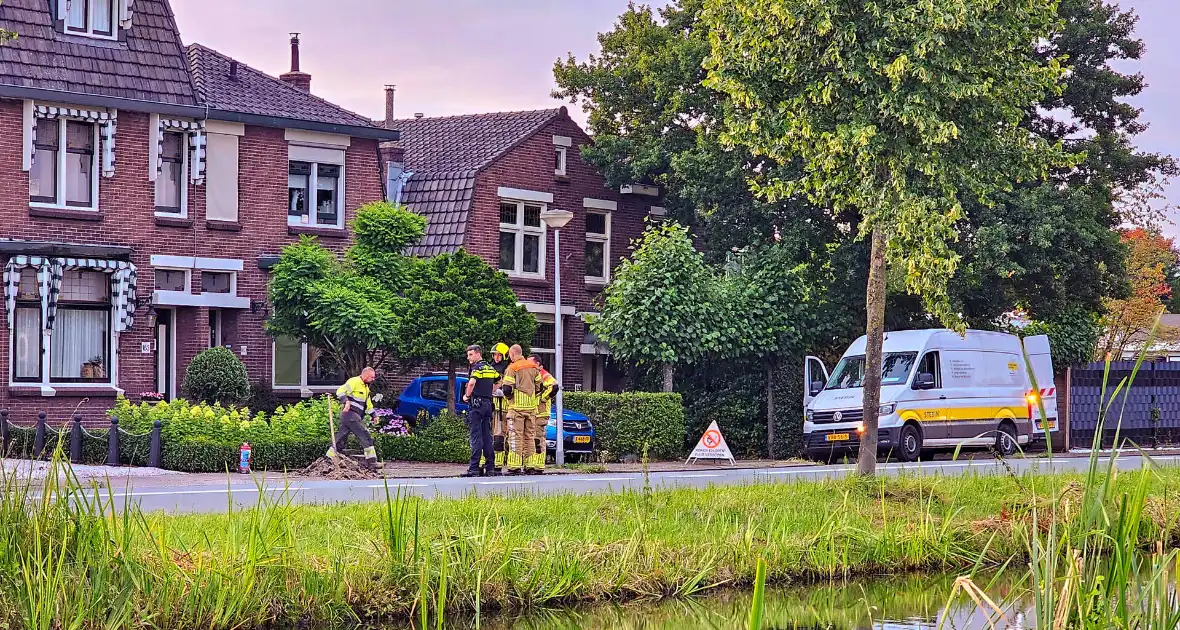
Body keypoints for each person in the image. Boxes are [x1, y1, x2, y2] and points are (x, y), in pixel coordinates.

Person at [500, 345, 543, 475]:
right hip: (531, 409)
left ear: (512, 354)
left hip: (516, 409)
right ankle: (530, 466)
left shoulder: (512, 368)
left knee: (515, 437)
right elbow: (540, 387)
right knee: (529, 437)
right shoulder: (533, 367)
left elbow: (507, 389)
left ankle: (514, 466)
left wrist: (510, 398)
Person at [328, 367, 380, 471]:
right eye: (372, 377)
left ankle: (328, 458)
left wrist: (374, 415)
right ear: (365, 375)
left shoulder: (366, 388)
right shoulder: (354, 381)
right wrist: (346, 401)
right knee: (364, 434)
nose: (373, 379)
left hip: (351, 416)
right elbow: (340, 391)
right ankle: (372, 462)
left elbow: (368, 404)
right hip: (351, 414)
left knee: (340, 439)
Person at [462, 345, 500, 477]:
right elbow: (499, 380)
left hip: (476, 405)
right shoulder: (490, 368)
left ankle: (474, 469)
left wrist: (467, 396)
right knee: (487, 437)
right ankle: (490, 468)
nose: (469, 358)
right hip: (488, 404)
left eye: (471, 355)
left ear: (478, 354)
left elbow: (472, 383)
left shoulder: (477, 368)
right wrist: (491, 390)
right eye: (468, 355)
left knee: (476, 436)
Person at [527, 353, 561, 474]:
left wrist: (543, 399)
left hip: (540, 413)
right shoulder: (532, 374)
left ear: (537, 364)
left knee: (538, 439)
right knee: (531, 439)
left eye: (530, 363)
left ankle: (538, 466)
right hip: (532, 412)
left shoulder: (543, 374)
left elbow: (554, 386)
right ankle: (531, 464)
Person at [489, 342, 511, 471]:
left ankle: (499, 464)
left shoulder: (508, 368)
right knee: (491, 435)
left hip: (504, 406)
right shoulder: (490, 367)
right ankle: (492, 463)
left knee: (501, 436)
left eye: (499, 355)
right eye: (494, 355)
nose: (496, 358)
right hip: (492, 406)